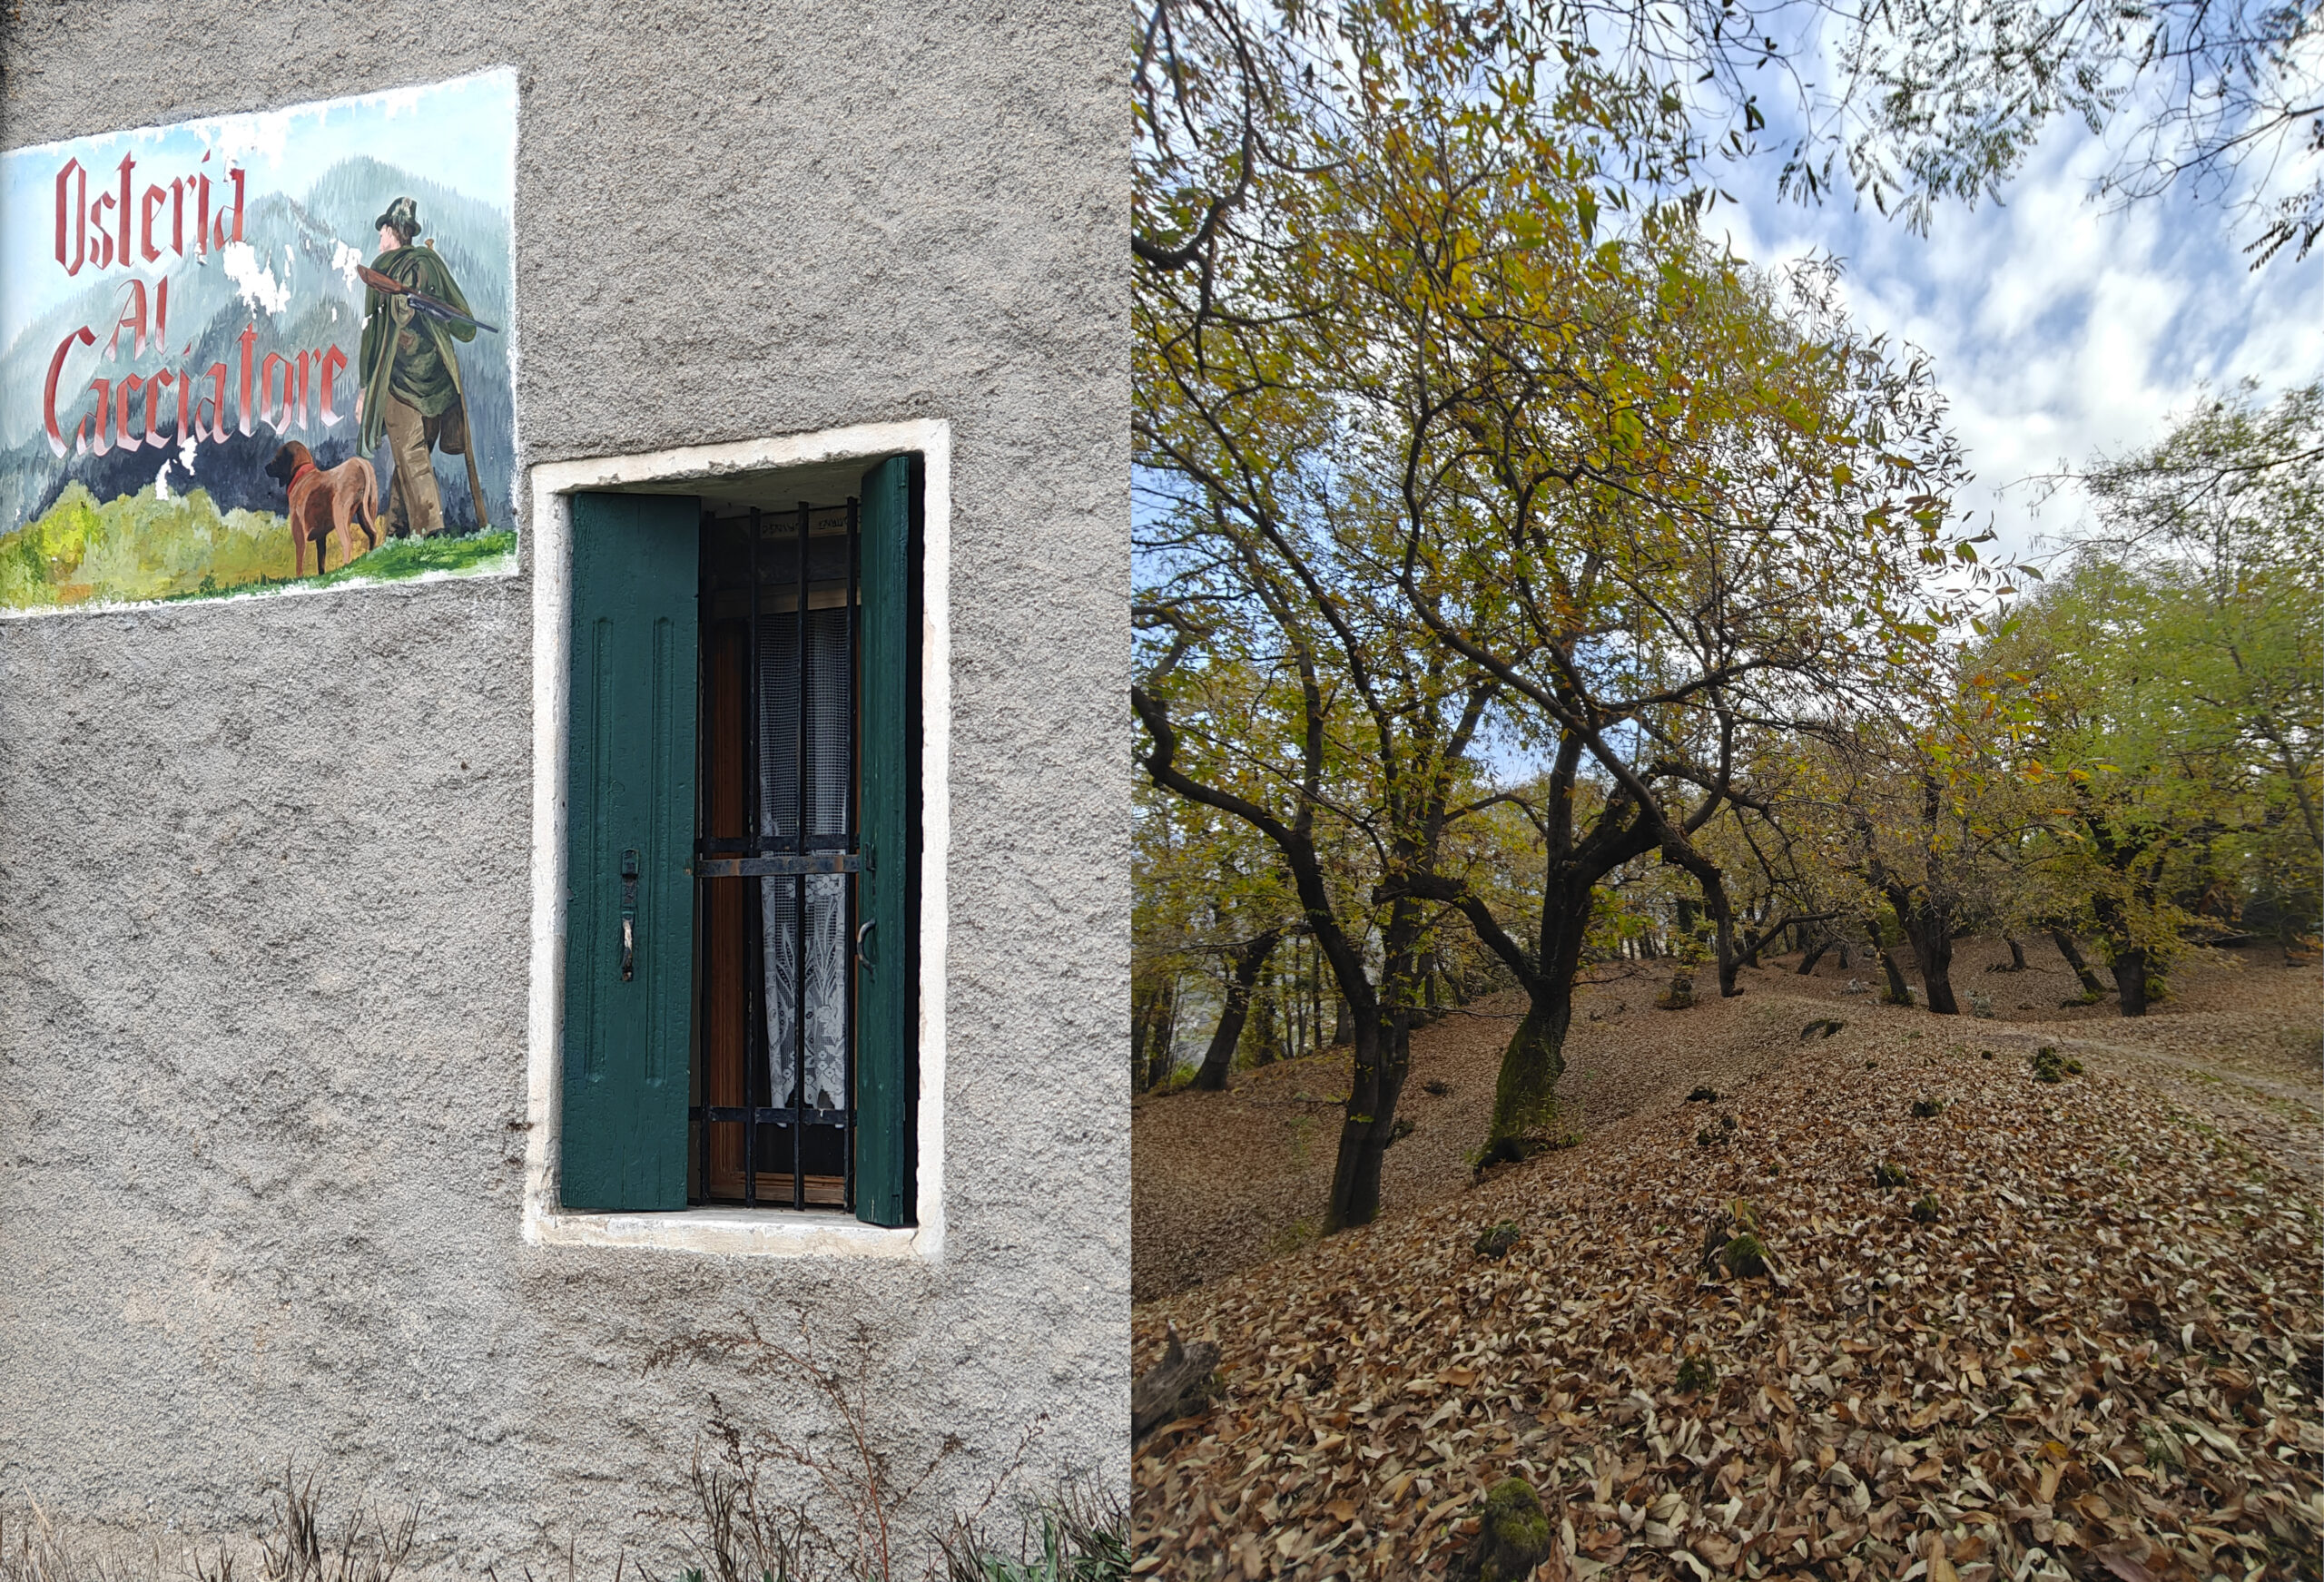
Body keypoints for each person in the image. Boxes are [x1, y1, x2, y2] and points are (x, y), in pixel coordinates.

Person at [357, 196, 478, 538]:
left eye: (383, 229)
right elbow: (465, 326)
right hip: (438, 386)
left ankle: (432, 533)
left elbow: (372, 336)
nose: (380, 236)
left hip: (397, 382)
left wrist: (365, 388)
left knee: (412, 457)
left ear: (391, 231)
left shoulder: (380, 267)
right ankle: (397, 532)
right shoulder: (430, 263)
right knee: (411, 458)